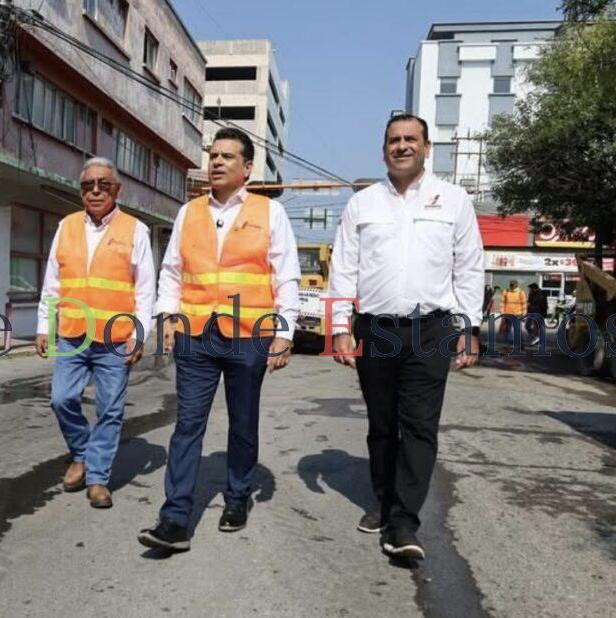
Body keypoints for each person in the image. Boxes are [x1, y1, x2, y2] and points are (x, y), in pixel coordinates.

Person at [137, 128, 301, 552]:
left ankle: (237, 498)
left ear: (247, 168)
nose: (217, 162)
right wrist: (166, 316)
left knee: (242, 423)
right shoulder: (189, 213)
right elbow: (172, 271)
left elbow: (285, 276)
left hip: (249, 335)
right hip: (195, 334)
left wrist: (284, 333)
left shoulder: (269, 212)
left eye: (228, 156)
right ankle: (175, 518)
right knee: (188, 424)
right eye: (214, 155)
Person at [328, 114, 484, 560]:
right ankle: (383, 500)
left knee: (418, 425)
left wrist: (468, 328)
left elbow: (469, 266)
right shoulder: (363, 204)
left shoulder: (453, 200)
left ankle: (403, 523)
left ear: (426, 147)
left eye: (411, 139)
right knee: (382, 424)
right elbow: (344, 267)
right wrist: (339, 326)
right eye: (394, 140)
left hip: (431, 329)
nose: (402, 146)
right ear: (384, 150)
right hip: (376, 329)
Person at [35, 158, 155, 509]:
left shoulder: (136, 230)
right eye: (88, 185)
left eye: (104, 184)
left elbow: (145, 290)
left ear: (117, 189)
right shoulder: (66, 226)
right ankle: (82, 453)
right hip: (73, 334)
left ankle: (98, 478)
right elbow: (52, 283)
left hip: (116, 339)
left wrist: (139, 335)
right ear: (81, 191)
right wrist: (44, 326)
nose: (96, 190)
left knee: (110, 410)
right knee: (61, 399)